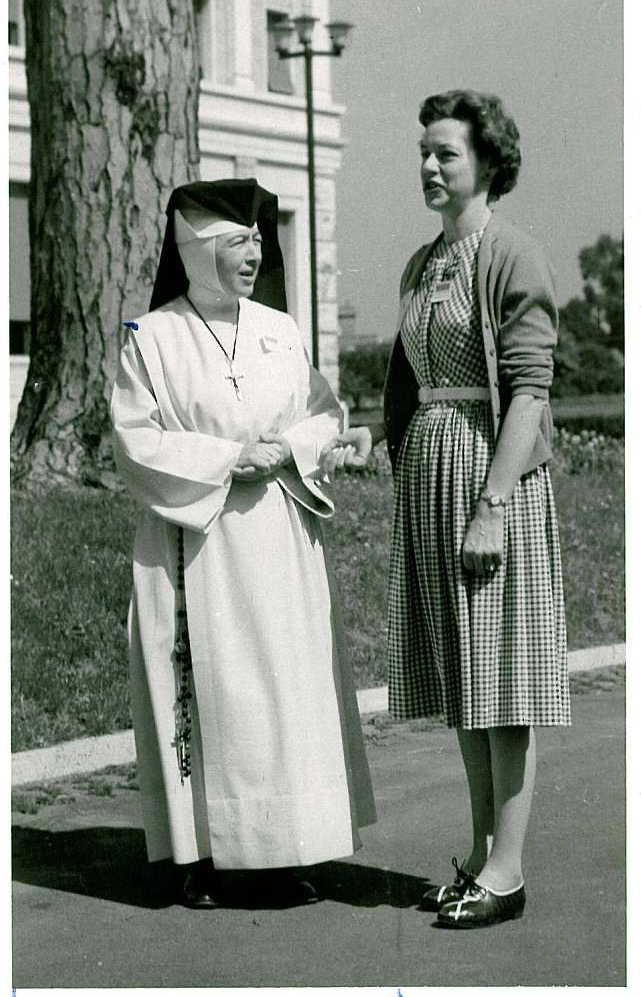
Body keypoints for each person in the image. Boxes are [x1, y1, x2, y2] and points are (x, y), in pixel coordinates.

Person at [324, 91, 570, 929]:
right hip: (432, 478)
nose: (428, 167)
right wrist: (374, 440)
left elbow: (531, 391)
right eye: (423, 153)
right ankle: (476, 856)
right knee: (464, 681)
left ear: (486, 163)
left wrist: (491, 504)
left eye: (445, 155)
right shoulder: (422, 264)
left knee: (501, 680)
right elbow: (410, 379)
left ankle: (507, 870)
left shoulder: (512, 256)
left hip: (489, 484)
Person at [111, 178, 375, 909]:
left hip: (278, 539)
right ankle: (201, 858)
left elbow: (322, 412)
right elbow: (135, 442)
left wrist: (286, 447)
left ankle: (286, 848)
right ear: (198, 254)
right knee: (216, 695)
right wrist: (230, 459)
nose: (253, 253)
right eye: (235, 243)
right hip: (200, 543)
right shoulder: (150, 338)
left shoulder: (278, 330)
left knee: (284, 694)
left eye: (257, 239)